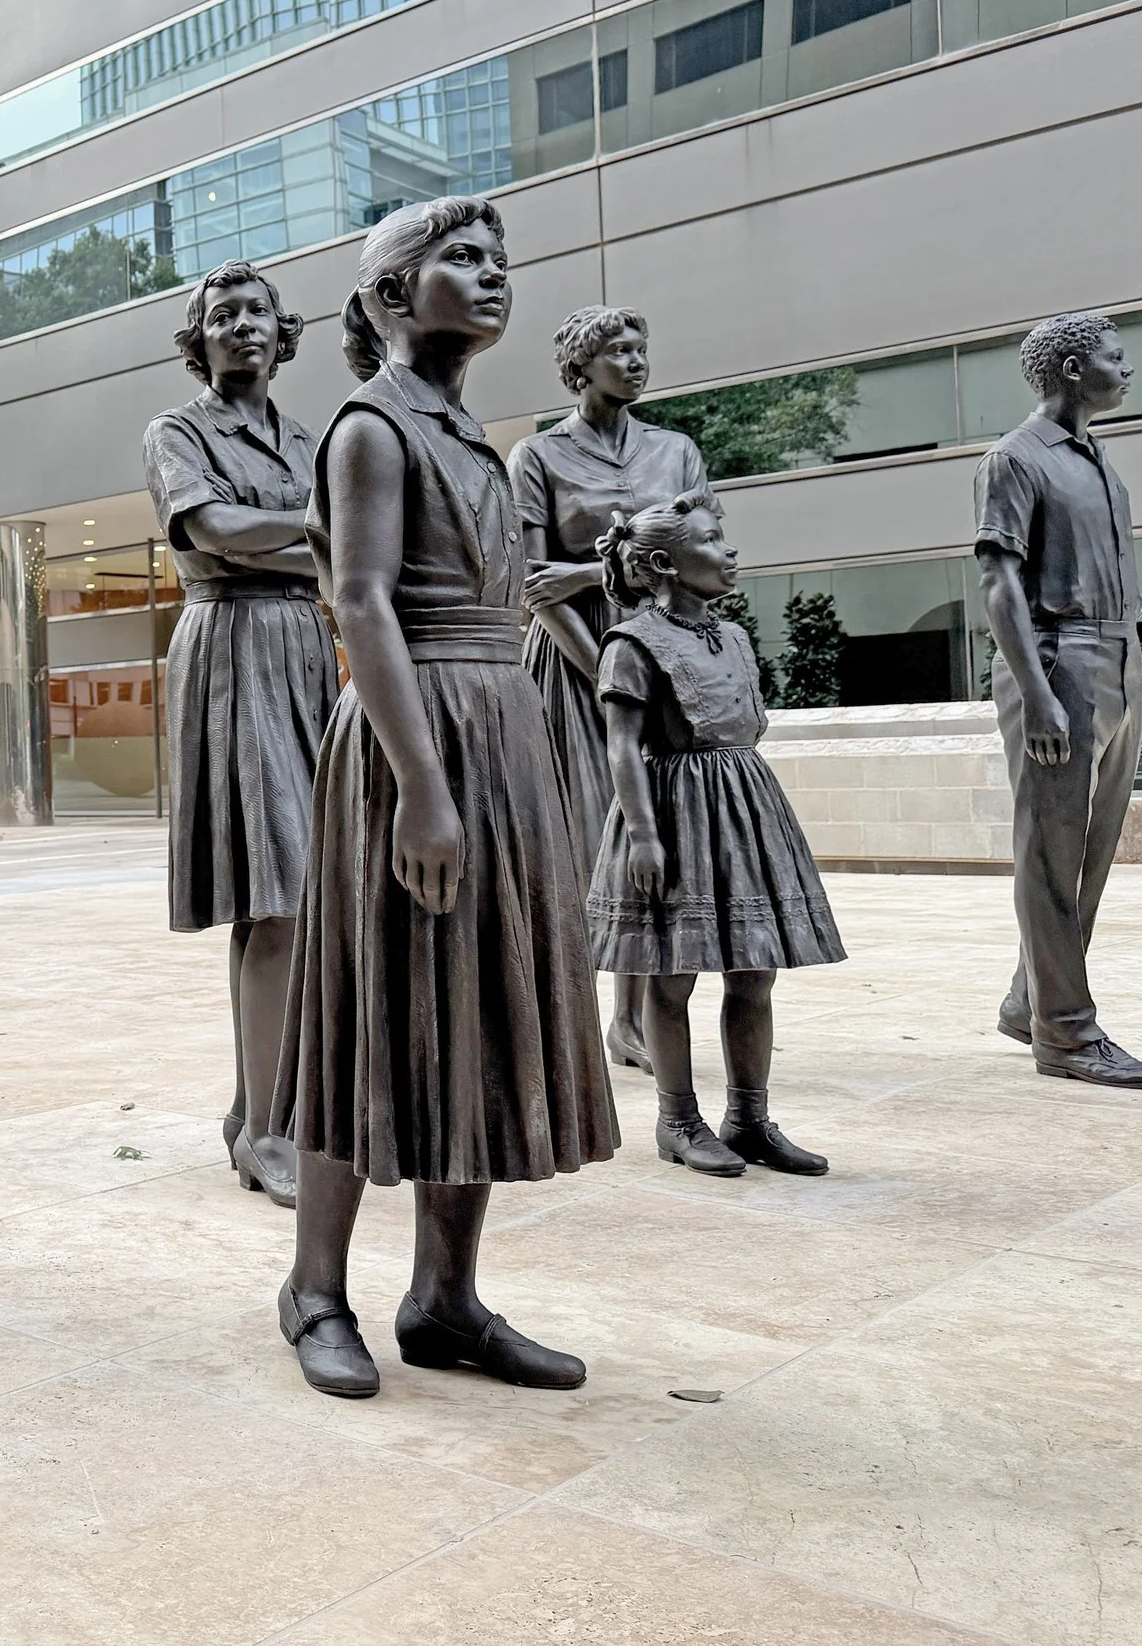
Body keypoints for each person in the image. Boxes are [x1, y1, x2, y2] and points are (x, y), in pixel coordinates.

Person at [275, 198, 615, 1401]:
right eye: (458, 260)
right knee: (367, 1012)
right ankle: (315, 1288)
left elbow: (513, 596)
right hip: (409, 741)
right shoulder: (371, 428)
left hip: (498, 733)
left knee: (475, 1011)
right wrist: (422, 786)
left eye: (498, 262)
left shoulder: (470, 432)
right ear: (385, 296)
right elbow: (359, 605)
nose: (489, 277)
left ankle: (445, 1299)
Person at [142, 260, 339, 1208]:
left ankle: (252, 1105)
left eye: (257, 312)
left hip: (308, 650)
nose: (242, 326)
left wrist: (303, 546)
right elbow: (214, 529)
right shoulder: (179, 430)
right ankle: (268, 1130)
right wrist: (314, 538)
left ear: (281, 329)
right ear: (200, 339)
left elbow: (344, 549)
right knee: (280, 895)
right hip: (234, 651)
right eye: (222, 316)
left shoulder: (308, 438)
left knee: (302, 893)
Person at [590, 497, 843, 1177]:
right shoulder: (632, 643)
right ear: (665, 563)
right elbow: (620, 746)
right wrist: (643, 832)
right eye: (712, 540)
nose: (729, 551)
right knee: (672, 978)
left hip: (744, 806)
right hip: (675, 811)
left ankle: (750, 1119)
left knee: (754, 970)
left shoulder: (730, 636)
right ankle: (678, 1120)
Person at [508, 307, 714, 1074]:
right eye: (616, 351)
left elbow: (700, 555)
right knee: (588, 834)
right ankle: (563, 1011)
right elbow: (534, 584)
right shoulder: (538, 456)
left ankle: (634, 1019)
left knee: (655, 827)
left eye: (640, 349)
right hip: (573, 660)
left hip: (660, 653)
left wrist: (595, 570)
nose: (633, 362)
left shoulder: (676, 451)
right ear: (581, 366)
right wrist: (604, 670)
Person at [975, 313, 1142, 1089]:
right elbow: (999, 585)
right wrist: (1039, 694)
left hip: (1115, 661)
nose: (1128, 369)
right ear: (1067, 367)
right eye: (1114, 358)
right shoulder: (1015, 459)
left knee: (1088, 857)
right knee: (1051, 857)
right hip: (1058, 662)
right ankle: (1065, 1035)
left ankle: (1031, 1000)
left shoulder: (1098, 462)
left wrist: (1139, 681)